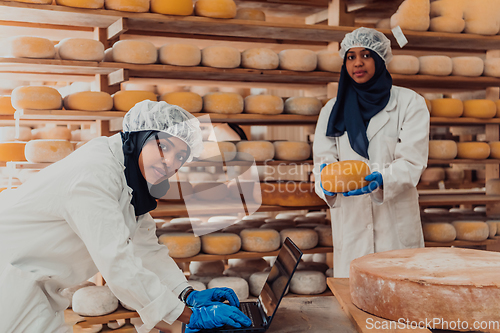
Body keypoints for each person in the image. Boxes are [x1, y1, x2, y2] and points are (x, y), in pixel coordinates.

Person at [0, 100, 251, 333]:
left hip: (36, 283)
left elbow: (146, 249)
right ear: (140, 137)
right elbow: (117, 262)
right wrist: (187, 315)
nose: (170, 162)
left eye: (181, 157)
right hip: (10, 277)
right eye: (164, 147)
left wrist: (186, 294)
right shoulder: (95, 174)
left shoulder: (130, 178)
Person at [313, 27, 430, 278]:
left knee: (399, 304)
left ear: (379, 59)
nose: (358, 63)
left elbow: (412, 161)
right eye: (351, 56)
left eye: (366, 55)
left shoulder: (410, 103)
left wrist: (382, 180)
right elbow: (323, 161)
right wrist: (325, 182)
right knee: (354, 303)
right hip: (352, 222)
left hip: (395, 225)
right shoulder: (331, 110)